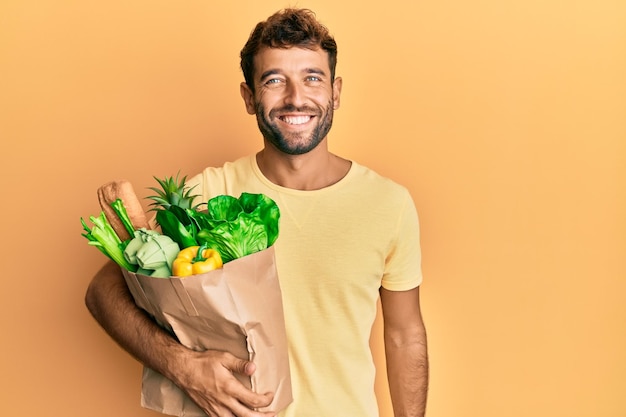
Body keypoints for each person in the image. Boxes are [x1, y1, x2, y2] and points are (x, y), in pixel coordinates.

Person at [85, 8, 428, 417]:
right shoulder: (205, 195)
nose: (295, 98)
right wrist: (184, 368)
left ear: (335, 92)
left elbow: (405, 335)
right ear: (249, 97)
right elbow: (103, 292)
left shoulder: (387, 204)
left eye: (312, 78)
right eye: (274, 80)